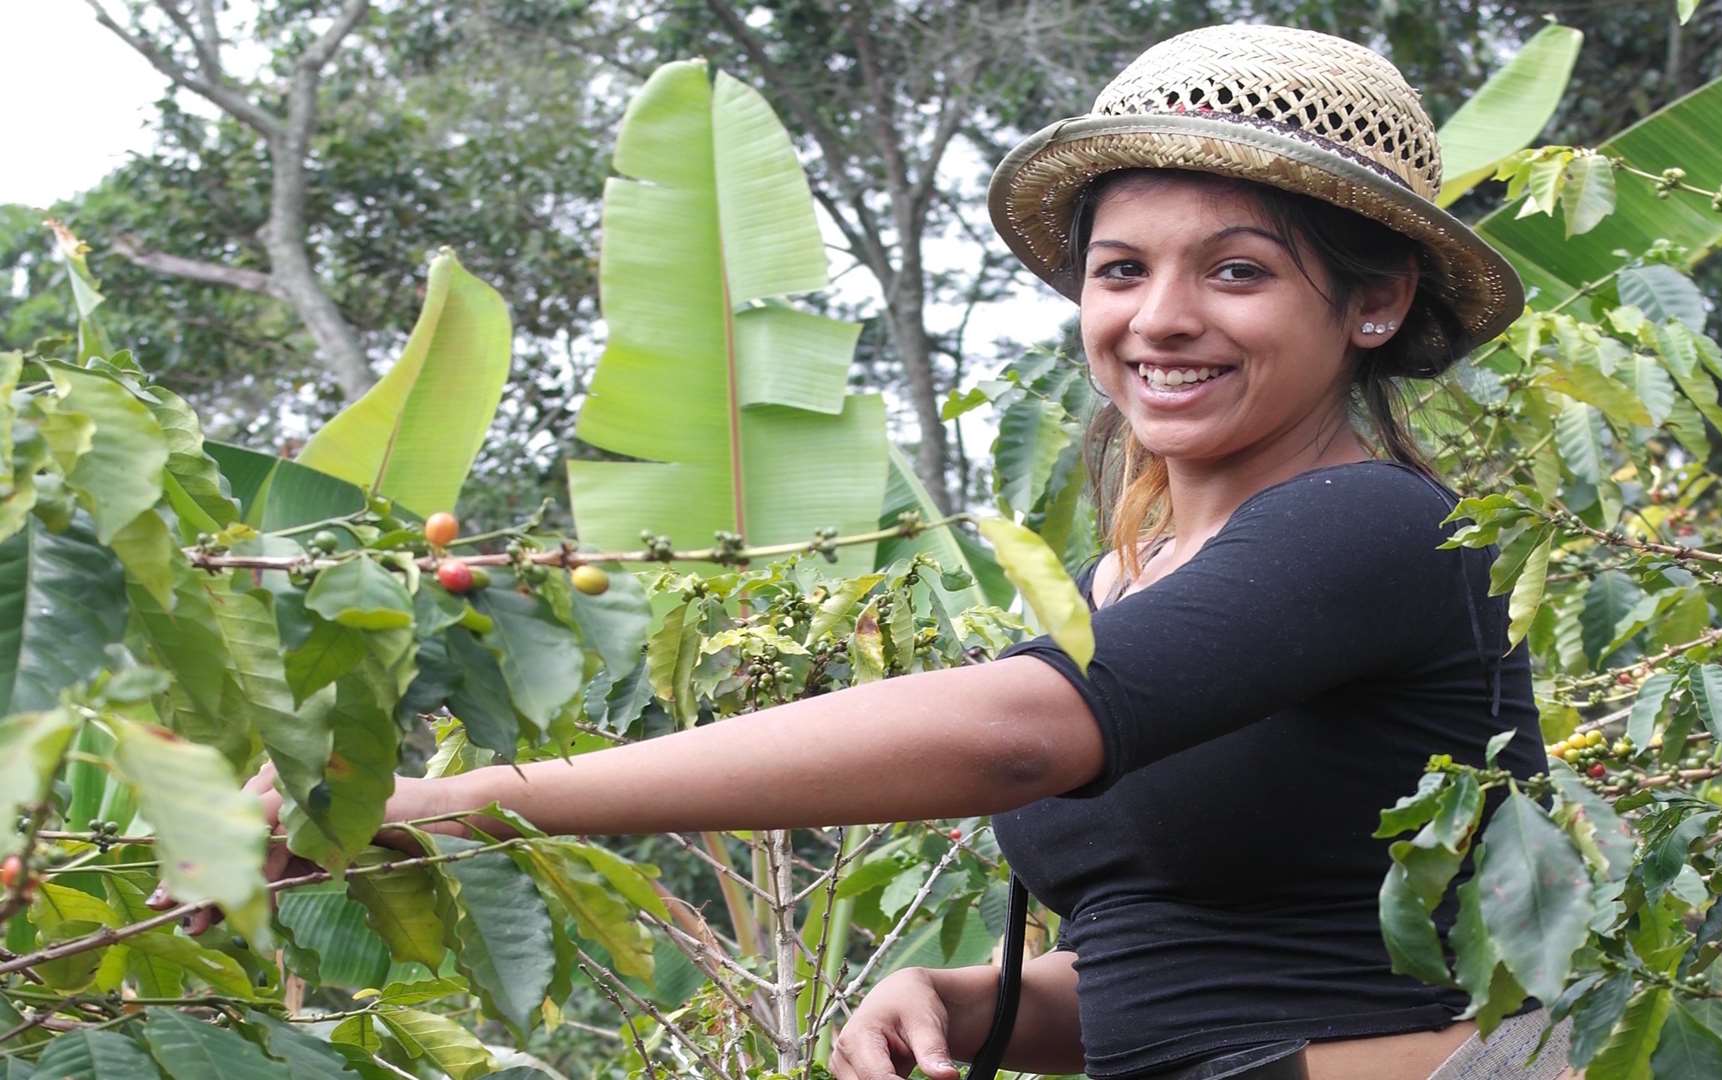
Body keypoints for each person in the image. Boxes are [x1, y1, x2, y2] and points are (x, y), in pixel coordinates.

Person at [164, 24, 1563, 1080]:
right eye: (1121, 269)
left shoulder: (1376, 523)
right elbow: (1204, 962)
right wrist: (975, 1002)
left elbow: (1023, 736)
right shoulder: (1117, 587)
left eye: (1238, 271)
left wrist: (463, 797)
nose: (1160, 317)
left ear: (1374, 306)